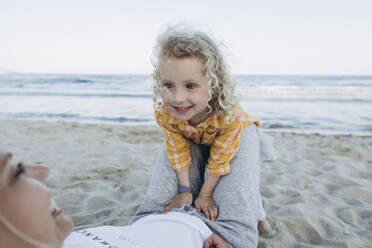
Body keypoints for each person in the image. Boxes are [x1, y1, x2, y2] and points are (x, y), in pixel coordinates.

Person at [130, 23, 276, 248]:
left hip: (234, 139)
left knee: (242, 179)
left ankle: (260, 215)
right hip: (199, 138)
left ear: (214, 85)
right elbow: (176, 150)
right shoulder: (167, 114)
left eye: (190, 85)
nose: (177, 98)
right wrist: (185, 191)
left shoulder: (229, 116)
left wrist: (205, 194)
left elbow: (220, 157)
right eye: (168, 85)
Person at [0, 149, 232, 248]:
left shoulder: (56, 238)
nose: (42, 171)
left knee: (182, 125)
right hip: (220, 230)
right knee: (241, 131)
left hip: (150, 215)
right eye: (17, 174)